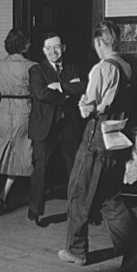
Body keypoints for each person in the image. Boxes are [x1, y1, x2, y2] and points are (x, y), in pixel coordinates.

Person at [57, 20, 137, 272]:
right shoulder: (127, 66)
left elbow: (88, 108)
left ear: (99, 42)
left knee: (78, 191)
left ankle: (76, 251)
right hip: (117, 138)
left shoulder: (102, 68)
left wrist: (84, 103)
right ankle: (135, 248)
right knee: (109, 196)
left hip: (97, 136)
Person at [27, 32, 85, 224]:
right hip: (45, 127)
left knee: (75, 168)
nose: (54, 51)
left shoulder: (72, 68)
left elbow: (81, 88)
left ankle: (79, 211)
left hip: (68, 125)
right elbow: (41, 93)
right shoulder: (37, 70)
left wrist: (59, 86)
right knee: (40, 169)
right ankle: (34, 211)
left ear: (64, 48)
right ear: (44, 50)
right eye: (49, 48)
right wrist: (66, 94)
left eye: (57, 47)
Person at [0, 28, 36, 217]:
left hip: (3, 109)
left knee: (0, 153)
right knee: (19, 154)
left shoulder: (0, 64)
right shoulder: (31, 65)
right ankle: (3, 196)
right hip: (22, 109)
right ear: (23, 44)